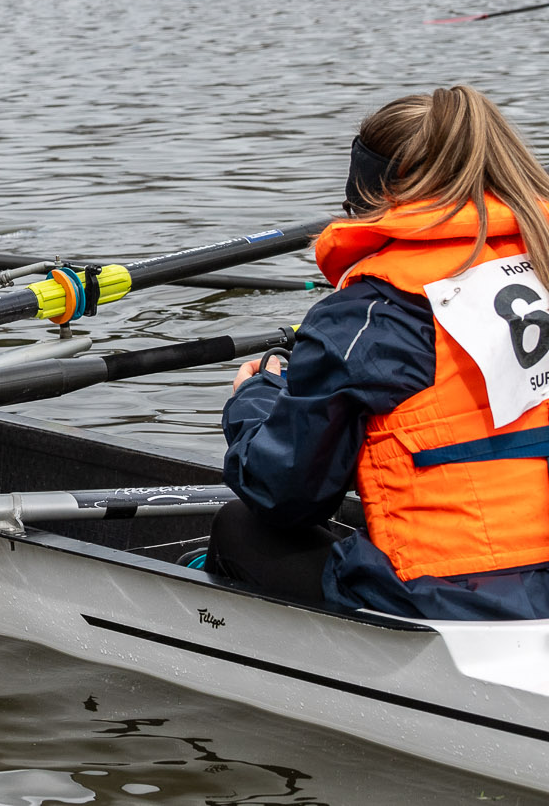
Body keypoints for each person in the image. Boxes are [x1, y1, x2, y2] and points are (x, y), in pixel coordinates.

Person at [213, 86, 549, 621]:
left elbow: (287, 496)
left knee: (240, 528)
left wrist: (254, 398)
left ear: (374, 196)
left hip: (456, 600)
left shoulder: (370, 312)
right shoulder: (542, 257)